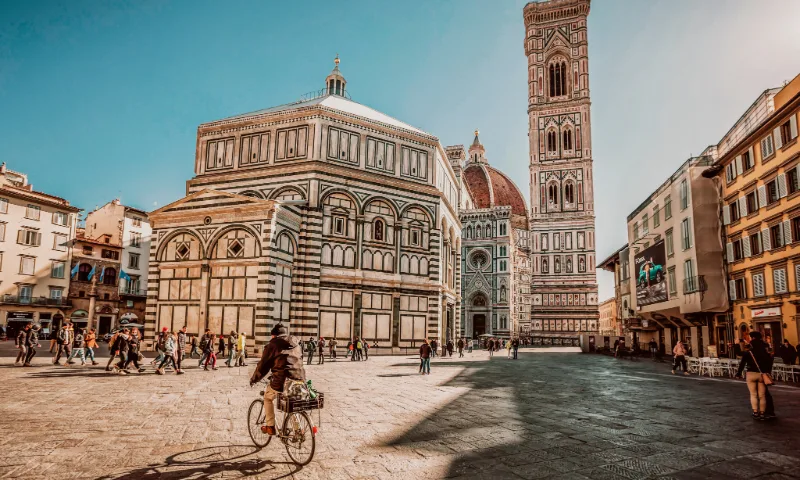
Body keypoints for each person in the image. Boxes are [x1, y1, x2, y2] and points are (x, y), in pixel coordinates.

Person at [249, 323, 306, 436]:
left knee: (267, 398)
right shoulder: (296, 343)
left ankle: (270, 426)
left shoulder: (272, 345)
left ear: (274, 335)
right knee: (291, 401)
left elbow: (263, 365)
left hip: (282, 380)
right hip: (300, 379)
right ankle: (298, 430)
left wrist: (254, 379)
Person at [735, 332, 775, 420]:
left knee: (753, 394)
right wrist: (768, 372)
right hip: (762, 374)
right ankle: (762, 413)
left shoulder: (749, 349)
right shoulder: (765, 347)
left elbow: (742, 360)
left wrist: (738, 373)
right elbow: (771, 358)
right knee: (762, 395)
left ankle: (755, 412)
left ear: (752, 338)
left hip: (751, 373)